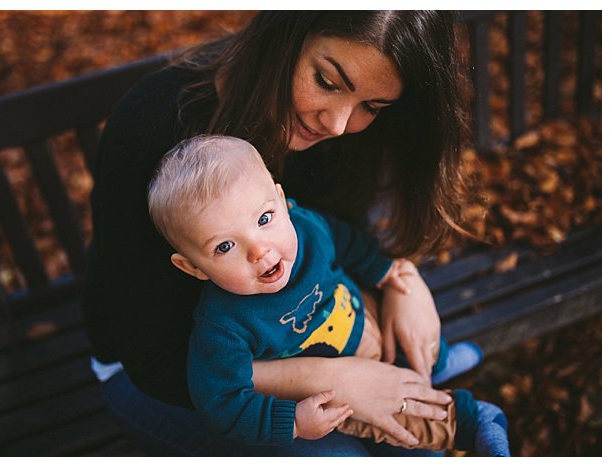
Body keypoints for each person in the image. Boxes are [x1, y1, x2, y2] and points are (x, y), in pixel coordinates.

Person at [84, 11, 483, 455]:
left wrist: (403, 281)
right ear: (287, 33)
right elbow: (154, 361)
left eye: (371, 106)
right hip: (163, 376)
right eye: (327, 82)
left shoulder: (333, 126)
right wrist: (329, 378)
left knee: (414, 440)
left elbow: (343, 233)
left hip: (297, 333)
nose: (336, 124)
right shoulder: (153, 125)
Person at [146, 135, 509, 455]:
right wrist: (293, 422)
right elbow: (222, 403)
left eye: (263, 219)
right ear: (192, 267)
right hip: (330, 393)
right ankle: (472, 422)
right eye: (225, 246)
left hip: (361, 322)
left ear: (281, 200)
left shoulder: (306, 227)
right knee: (404, 423)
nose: (259, 249)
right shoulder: (222, 328)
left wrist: (384, 271)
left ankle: (435, 362)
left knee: (403, 325)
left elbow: (350, 244)